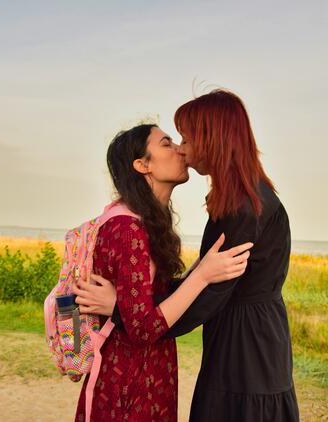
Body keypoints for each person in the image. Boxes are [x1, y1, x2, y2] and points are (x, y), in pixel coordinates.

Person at [77, 90, 300, 421]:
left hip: (246, 349)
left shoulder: (243, 207)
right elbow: (201, 285)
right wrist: (134, 308)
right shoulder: (243, 198)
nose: (182, 148)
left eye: (186, 138)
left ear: (213, 140)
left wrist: (125, 311)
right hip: (247, 341)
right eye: (172, 141)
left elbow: (208, 294)